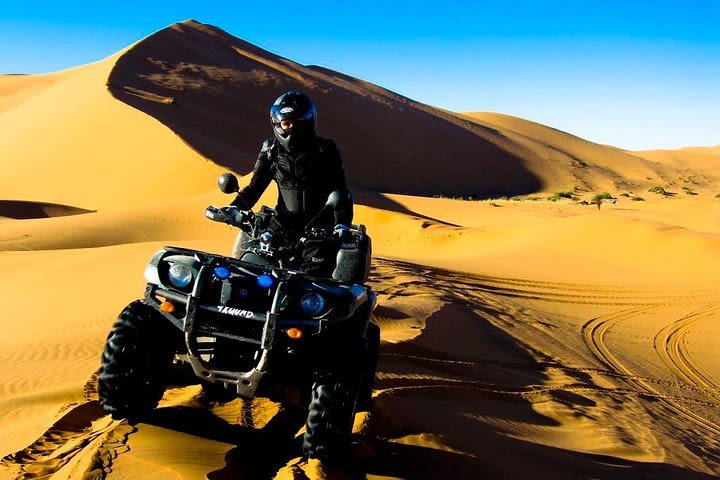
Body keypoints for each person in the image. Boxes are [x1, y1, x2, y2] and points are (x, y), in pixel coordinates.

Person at [230, 90, 354, 276]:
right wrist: (233, 209)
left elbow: (340, 191)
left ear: (309, 122)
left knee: (314, 279)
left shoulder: (325, 150)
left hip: (318, 229)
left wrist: (341, 225)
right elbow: (255, 188)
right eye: (286, 124)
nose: (292, 129)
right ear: (277, 125)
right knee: (249, 270)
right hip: (280, 226)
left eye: (298, 123)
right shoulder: (271, 150)